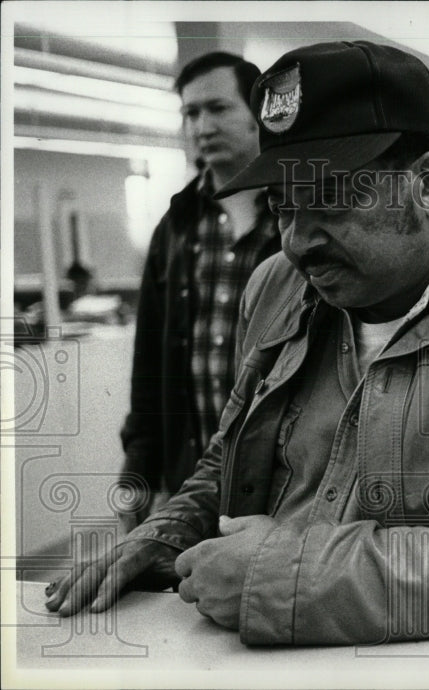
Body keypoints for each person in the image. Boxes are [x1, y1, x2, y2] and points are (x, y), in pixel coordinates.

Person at [45, 41, 429, 647]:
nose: (298, 239)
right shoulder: (277, 285)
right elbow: (226, 459)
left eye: (328, 198)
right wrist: (164, 533)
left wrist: (283, 578)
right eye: (283, 205)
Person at [117, 52, 281, 530]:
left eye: (218, 108)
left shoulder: (299, 217)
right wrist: (137, 479)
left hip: (281, 479)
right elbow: (150, 365)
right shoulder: (176, 227)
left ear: (259, 115)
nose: (201, 125)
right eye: (190, 113)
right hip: (192, 478)